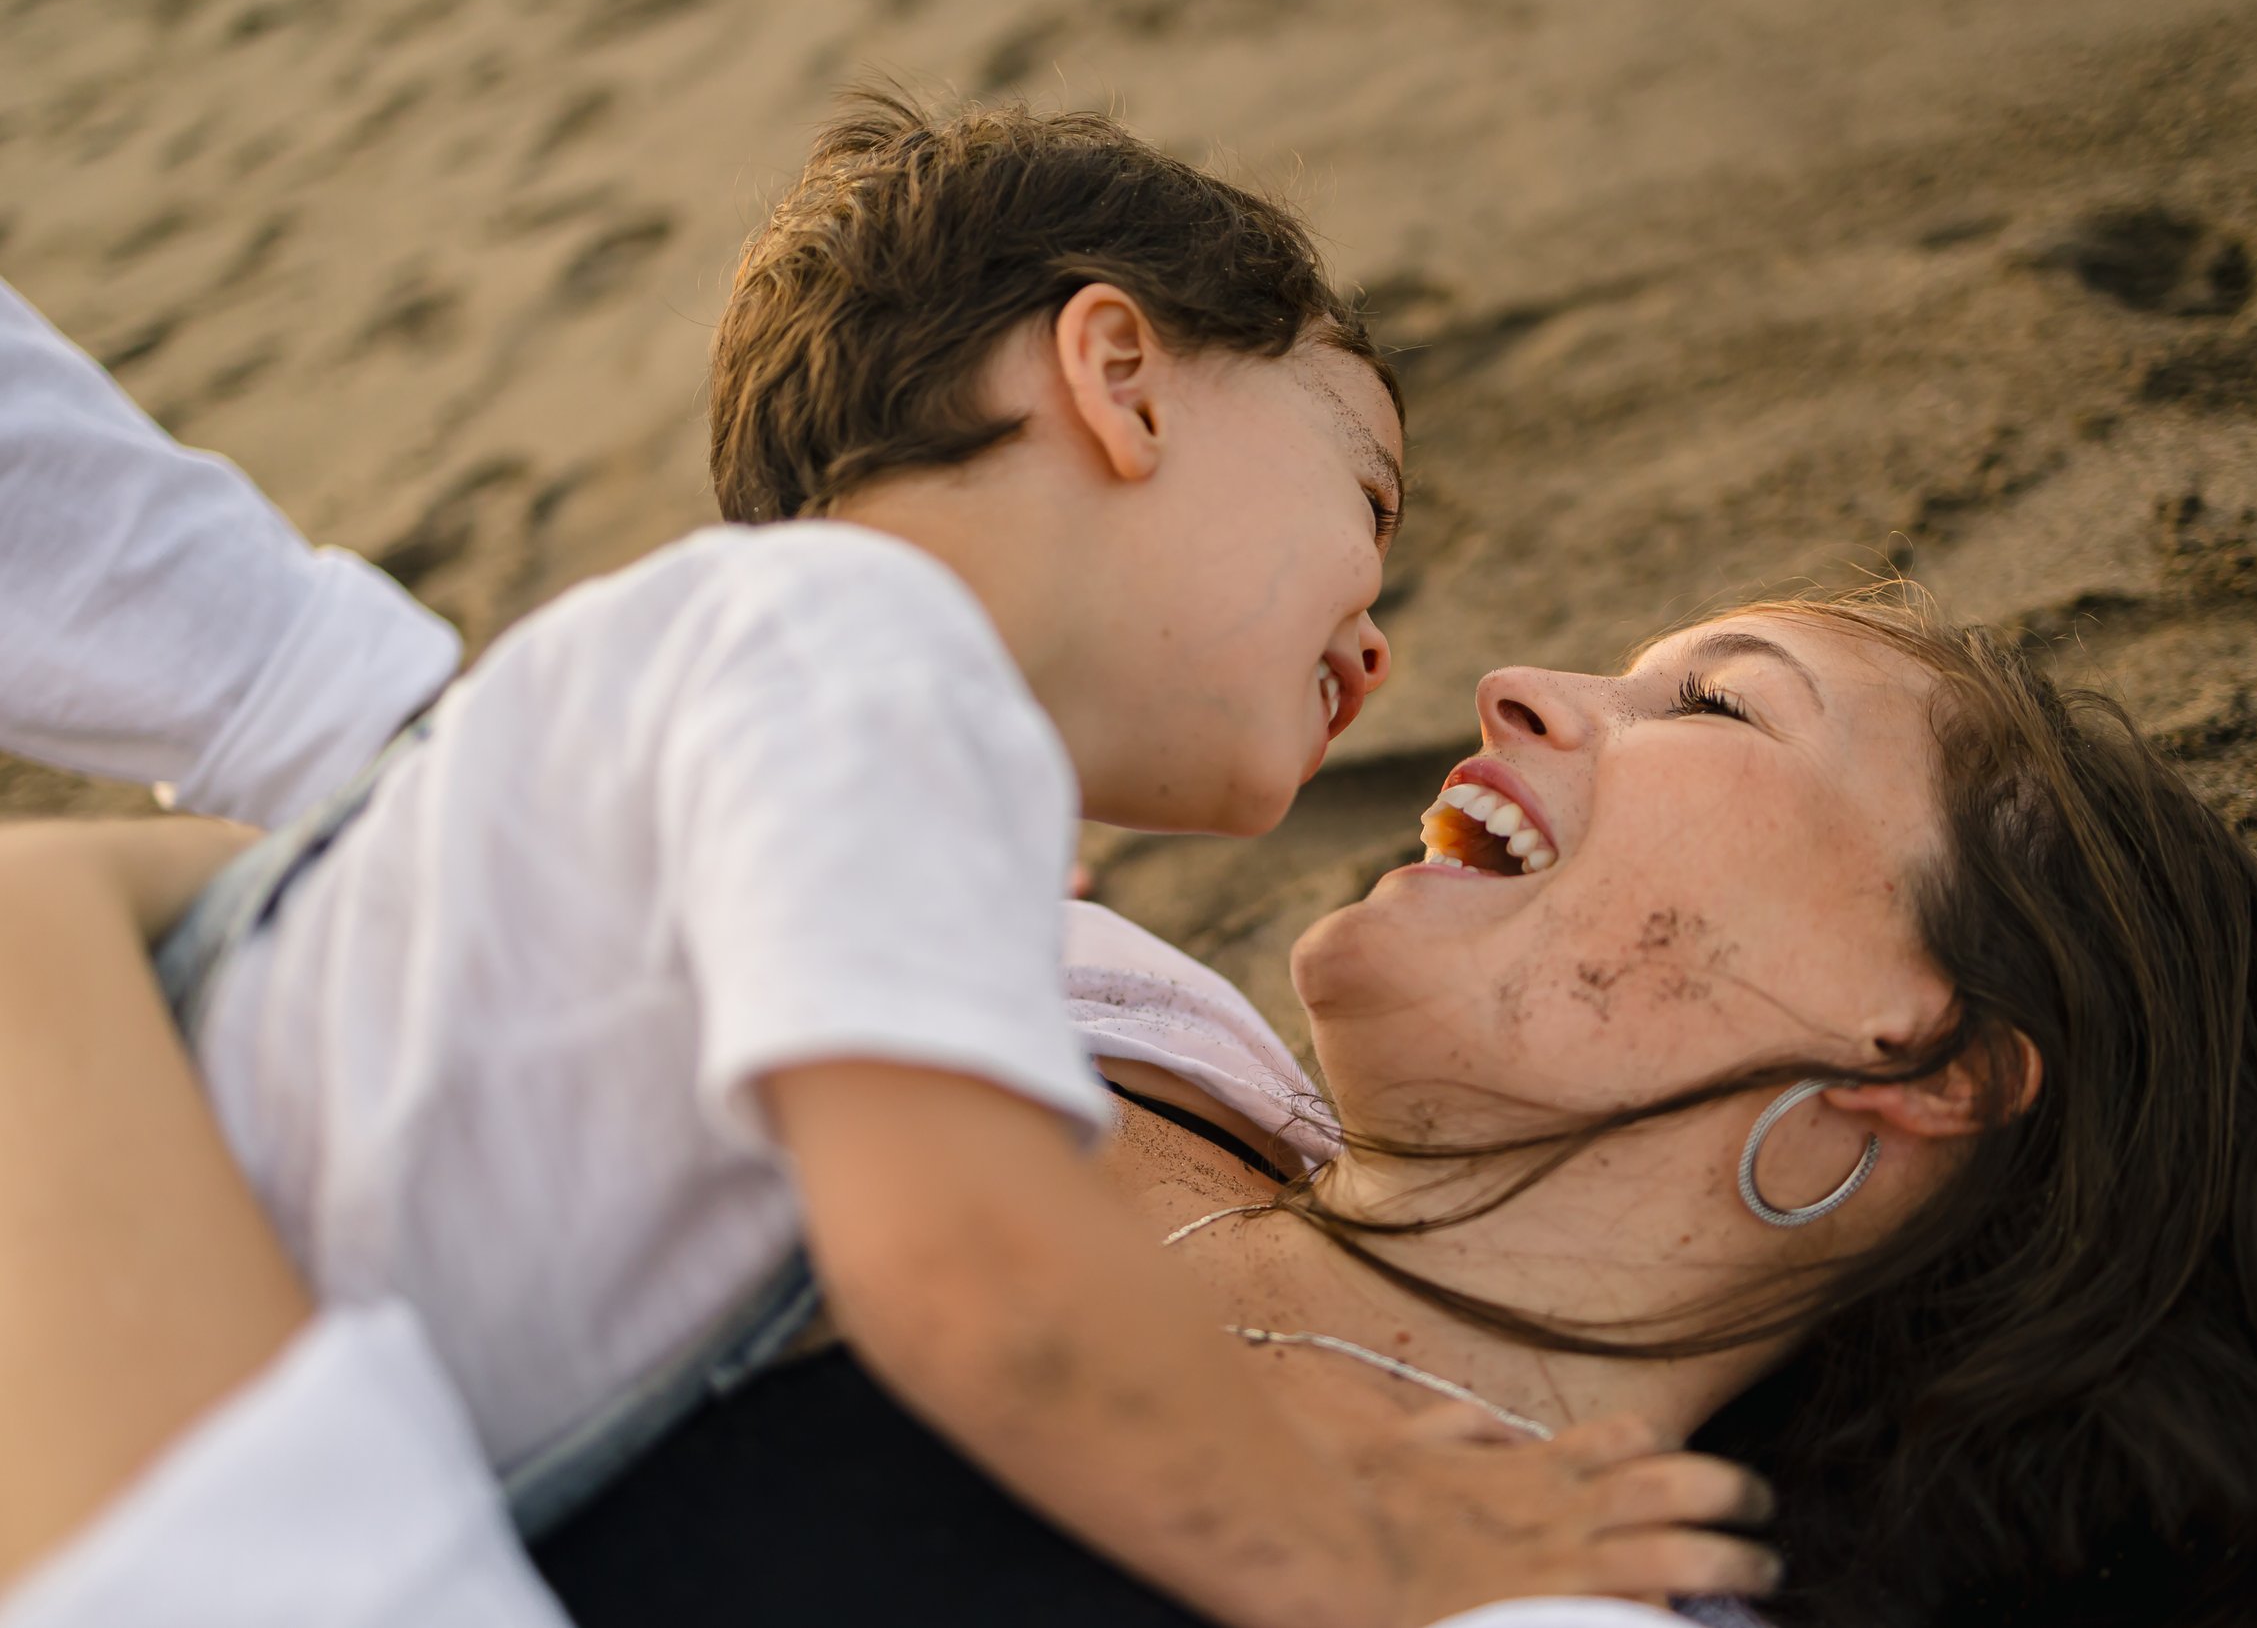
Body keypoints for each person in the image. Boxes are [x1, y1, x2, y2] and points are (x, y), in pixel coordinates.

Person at [3, 91, 1778, 1628]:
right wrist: (1370, 1564)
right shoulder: (870, 666)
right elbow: (976, 1284)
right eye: (1366, 502)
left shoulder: (806, 719)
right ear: (1118, 380)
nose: (1377, 638)